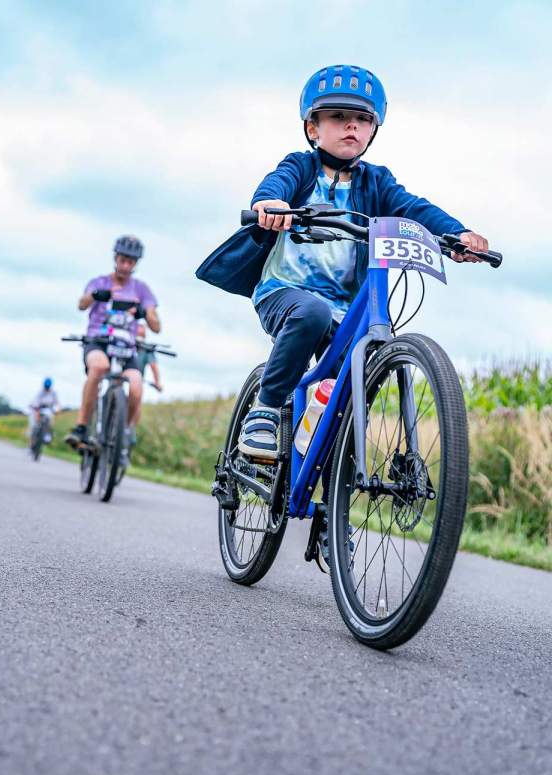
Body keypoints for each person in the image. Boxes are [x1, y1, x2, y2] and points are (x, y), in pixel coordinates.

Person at [195, 65, 491, 560]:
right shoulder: (301, 168)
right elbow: (276, 182)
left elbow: (413, 207)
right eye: (336, 117)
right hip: (286, 294)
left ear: (374, 129)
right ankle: (267, 410)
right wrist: (270, 203)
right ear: (313, 127)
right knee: (309, 313)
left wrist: (456, 234)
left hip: (343, 308)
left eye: (361, 119)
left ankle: (334, 511)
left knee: (354, 381)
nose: (350, 126)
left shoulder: (377, 183)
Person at [64, 235, 160, 451]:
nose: (125, 265)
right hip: (98, 341)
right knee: (99, 367)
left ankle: (122, 434)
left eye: (131, 262)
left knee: (136, 386)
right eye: (122, 260)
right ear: (116, 258)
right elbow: (82, 304)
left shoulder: (141, 289)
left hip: (127, 347)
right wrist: (96, 296)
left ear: (136, 264)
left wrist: (144, 313)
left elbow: (156, 325)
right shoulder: (100, 282)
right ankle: (81, 427)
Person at [29, 377, 60, 445]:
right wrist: (36, 409)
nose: (47, 388)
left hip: (48, 411)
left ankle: (47, 435)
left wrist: (57, 409)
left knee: (50, 420)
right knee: (34, 425)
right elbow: (36, 402)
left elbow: (57, 403)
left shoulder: (53, 393)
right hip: (38, 409)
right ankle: (32, 442)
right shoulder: (40, 392)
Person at [135, 322, 163, 392]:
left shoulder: (147, 348)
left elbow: (153, 366)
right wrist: (157, 383)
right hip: (132, 381)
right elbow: (154, 366)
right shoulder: (147, 348)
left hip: (135, 381)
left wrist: (157, 382)